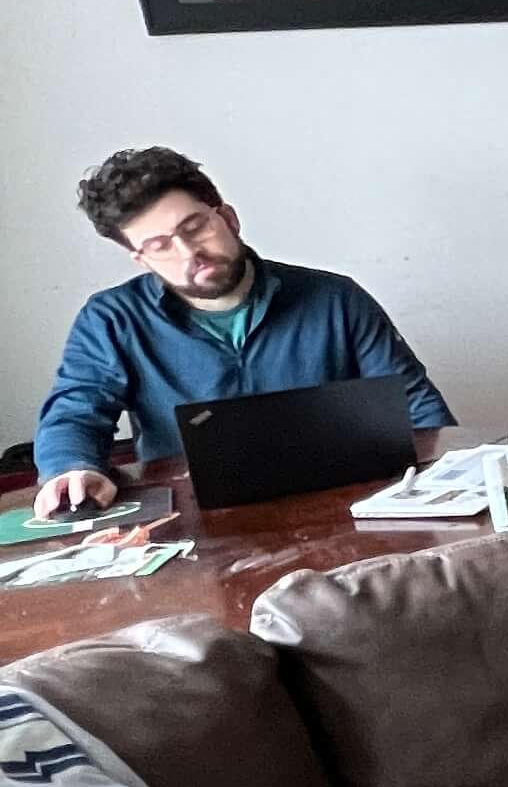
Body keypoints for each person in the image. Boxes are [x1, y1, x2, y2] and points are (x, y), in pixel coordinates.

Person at [30, 148, 454, 516]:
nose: (189, 253)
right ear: (141, 259)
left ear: (227, 219)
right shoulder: (111, 319)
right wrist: (73, 468)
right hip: (193, 525)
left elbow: (418, 411)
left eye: (195, 227)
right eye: (160, 245)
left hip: (346, 509)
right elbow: (74, 412)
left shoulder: (336, 299)